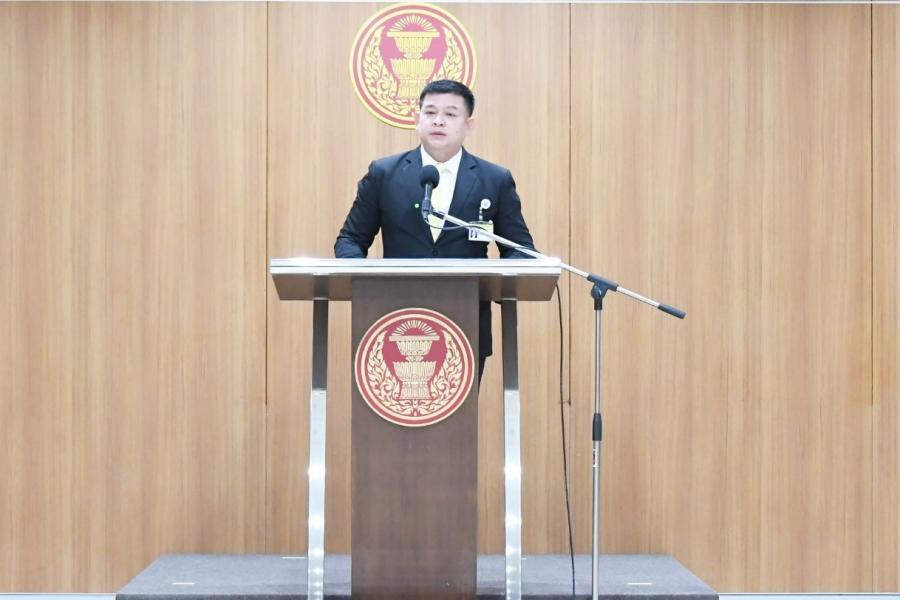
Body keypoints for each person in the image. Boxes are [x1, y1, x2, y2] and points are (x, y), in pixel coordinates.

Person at [334, 79, 536, 381]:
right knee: (394, 410)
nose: (438, 120)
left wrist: (497, 282)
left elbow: (520, 250)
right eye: (430, 112)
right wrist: (368, 284)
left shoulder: (494, 179)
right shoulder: (383, 174)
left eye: (450, 114)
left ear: (469, 125)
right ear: (417, 119)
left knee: (460, 413)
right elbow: (350, 240)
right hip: (392, 321)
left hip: (466, 322)